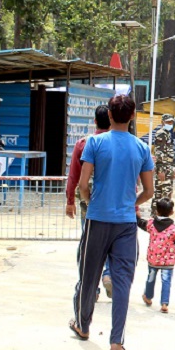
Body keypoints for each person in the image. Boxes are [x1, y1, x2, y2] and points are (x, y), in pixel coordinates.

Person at [69, 95, 155, 350]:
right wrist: (131, 203)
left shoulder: (95, 143)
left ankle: (83, 325)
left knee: (89, 275)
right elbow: (149, 191)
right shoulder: (141, 148)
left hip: (97, 219)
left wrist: (89, 202)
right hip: (126, 224)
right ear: (132, 116)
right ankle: (117, 342)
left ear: (109, 115)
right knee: (122, 282)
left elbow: (83, 184)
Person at [66, 105, 112, 299]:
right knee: (111, 240)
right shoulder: (118, 143)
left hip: (89, 200)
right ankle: (108, 273)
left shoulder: (83, 143)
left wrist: (70, 200)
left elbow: (74, 175)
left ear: (94, 121)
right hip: (111, 199)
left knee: (88, 239)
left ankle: (90, 286)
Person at [137, 197, 175, 314]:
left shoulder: (151, 224)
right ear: (172, 212)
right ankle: (164, 303)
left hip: (153, 258)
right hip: (168, 261)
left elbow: (141, 223)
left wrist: (135, 216)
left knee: (151, 278)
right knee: (166, 281)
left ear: (156, 211)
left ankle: (148, 297)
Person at [151, 114, 175, 217]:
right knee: (161, 194)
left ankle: (159, 216)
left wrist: (172, 169)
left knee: (165, 192)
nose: (170, 124)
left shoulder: (167, 133)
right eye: (168, 122)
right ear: (162, 122)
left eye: (171, 122)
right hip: (163, 168)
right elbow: (159, 152)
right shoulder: (161, 133)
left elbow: (168, 153)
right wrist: (160, 170)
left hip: (168, 167)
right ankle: (155, 216)